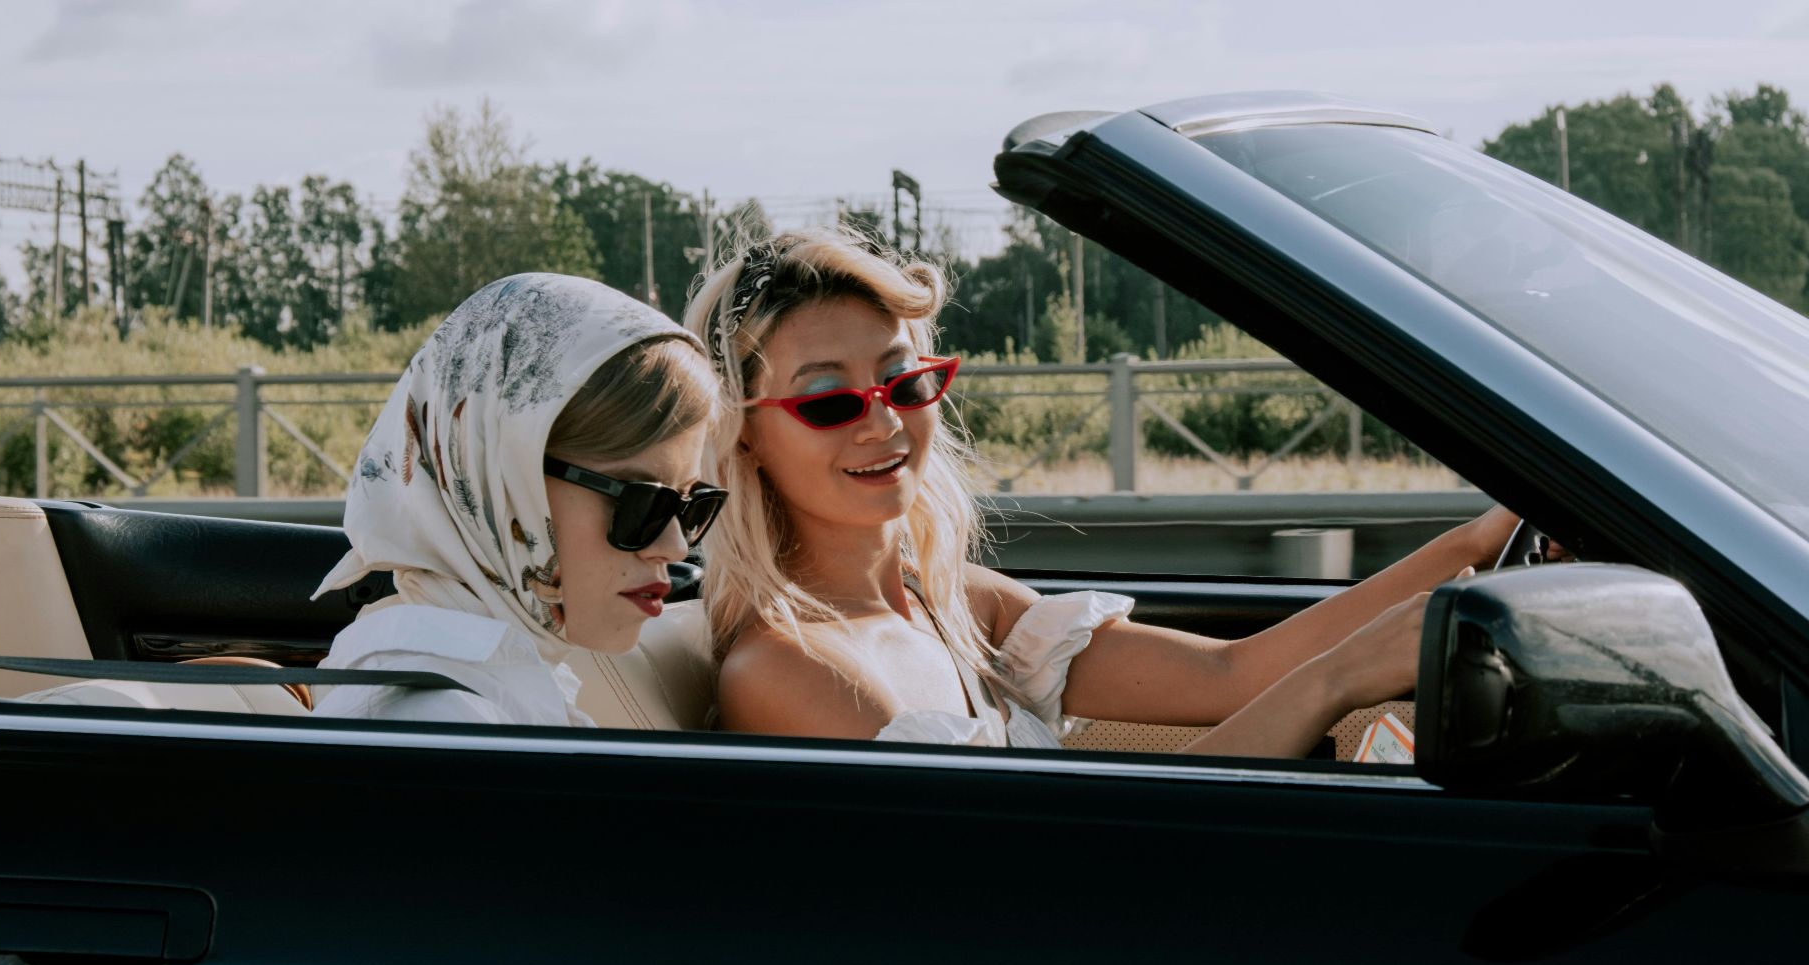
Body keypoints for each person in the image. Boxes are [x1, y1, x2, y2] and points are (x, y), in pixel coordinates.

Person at [683, 228, 1517, 754]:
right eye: (828, 400)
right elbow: (1054, 876)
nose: (884, 426)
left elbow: (1232, 676)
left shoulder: (960, 607)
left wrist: (1471, 545)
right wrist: (1336, 683)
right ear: (744, 435)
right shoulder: (786, 669)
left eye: (904, 384)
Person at [312, 273, 726, 725]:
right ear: (504, 479)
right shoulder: (439, 721)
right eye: (643, 504)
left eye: (692, 507)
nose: (676, 546)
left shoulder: (499, 686)